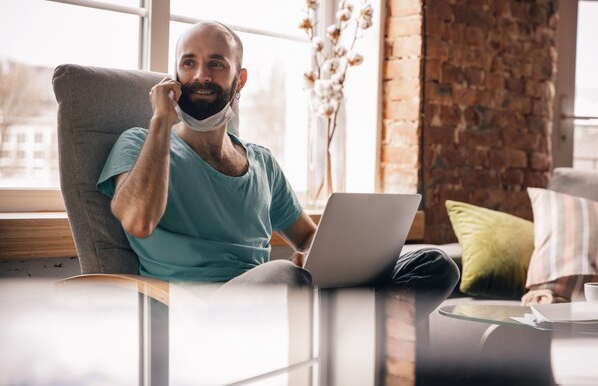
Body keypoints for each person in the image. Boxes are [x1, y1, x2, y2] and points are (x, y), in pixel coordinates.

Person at [97, 21, 459, 307]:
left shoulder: (261, 161)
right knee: (284, 276)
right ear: (173, 76)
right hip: (197, 307)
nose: (200, 76)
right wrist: (161, 121)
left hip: (277, 296)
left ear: (240, 81)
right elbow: (139, 221)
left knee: (434, 264)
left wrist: (322, 257)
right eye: (188, 63)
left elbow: (306, 235)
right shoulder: (141, 143)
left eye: (216, 64)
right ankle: (356, 324)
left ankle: (353, 329)